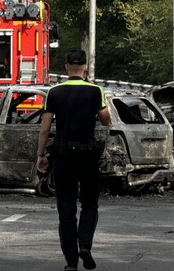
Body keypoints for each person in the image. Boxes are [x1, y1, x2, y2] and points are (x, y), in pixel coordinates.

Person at [37, 48, 111, 271]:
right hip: (88, 156)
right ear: (85, 67)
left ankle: (71, 262)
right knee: (89, 203)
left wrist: (41, 155)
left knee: (66, 209)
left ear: (67, 67)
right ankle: (85, 244)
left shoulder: (54, 92)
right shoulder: (96, 91)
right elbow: (106, 120)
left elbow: (45, 128)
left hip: (64, 156)